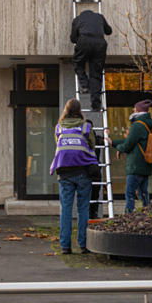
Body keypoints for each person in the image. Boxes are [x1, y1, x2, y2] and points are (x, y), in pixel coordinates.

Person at [50, 99, 98, 254]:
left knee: (66, 209)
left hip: (64, 173)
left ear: (66, 111)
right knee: (83, 208)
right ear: (80, 110)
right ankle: (83, 245)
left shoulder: (59, 127)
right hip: (83, 171)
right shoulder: (86, 126)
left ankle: (65, 246)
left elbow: (58, 145)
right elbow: (92, 146)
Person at [111, 100, 152, 213]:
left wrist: (119, 148)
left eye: (134, 109)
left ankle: (128, 216)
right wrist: (114, 143)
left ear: (137, 111)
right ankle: (148, 215)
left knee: (130, 193)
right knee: (143, 193)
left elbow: (127, 146)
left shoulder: (137, 125)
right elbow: (132, 142)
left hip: (136, 165)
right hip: (145, 164)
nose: (133, 111)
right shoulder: (147, 125)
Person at [70, 7, 112, 111]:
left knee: (78, 63)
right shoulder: (100, 17)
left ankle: (84, 85)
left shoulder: (77, 19)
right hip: (100, 43)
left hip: (84, 41)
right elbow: (109, 31)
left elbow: (73, 39)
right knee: (96, 73)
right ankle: (96, 105)